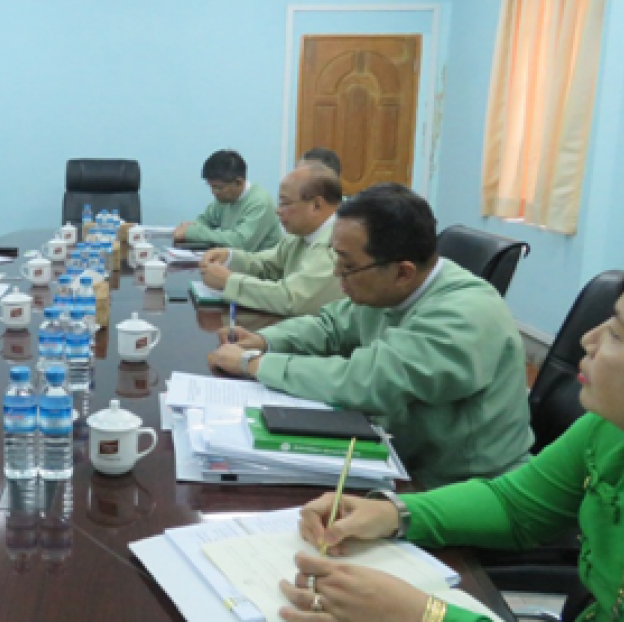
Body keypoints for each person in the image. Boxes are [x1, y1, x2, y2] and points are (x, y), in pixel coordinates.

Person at [279, 248, 624, 622]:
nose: (589, 340)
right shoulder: (619, 431)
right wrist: (393, 512)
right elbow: (516, 505)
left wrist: (428, 618)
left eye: (617, 334)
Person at [209, 183, 531, 488]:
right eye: (336, 258)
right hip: (401, 457)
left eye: (348, 266)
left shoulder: (464, 314)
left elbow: (368, 381)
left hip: (460, 486)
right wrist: (267, 340)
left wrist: (255, 364)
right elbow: (332, 325)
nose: (337, 272)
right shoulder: (392, 288)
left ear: (402, 272)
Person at [198, 164, 344, 316]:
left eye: (285, 203)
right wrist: (229, 257)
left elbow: (291, 299)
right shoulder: (301, 235)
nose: (277, 210)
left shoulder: (337, 246)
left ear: (316, 205)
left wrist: (229, 282)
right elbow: (267, 265)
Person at [174, 149, 282, 251]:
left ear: (239, 182)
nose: (214, 192)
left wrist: (192, 233)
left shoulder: (260, 202)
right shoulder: (224, 199)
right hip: (233, 262)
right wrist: (189, 228)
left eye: (219, 187)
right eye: (211, 186)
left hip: (260, 264)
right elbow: (204, 221)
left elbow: (240, 243)